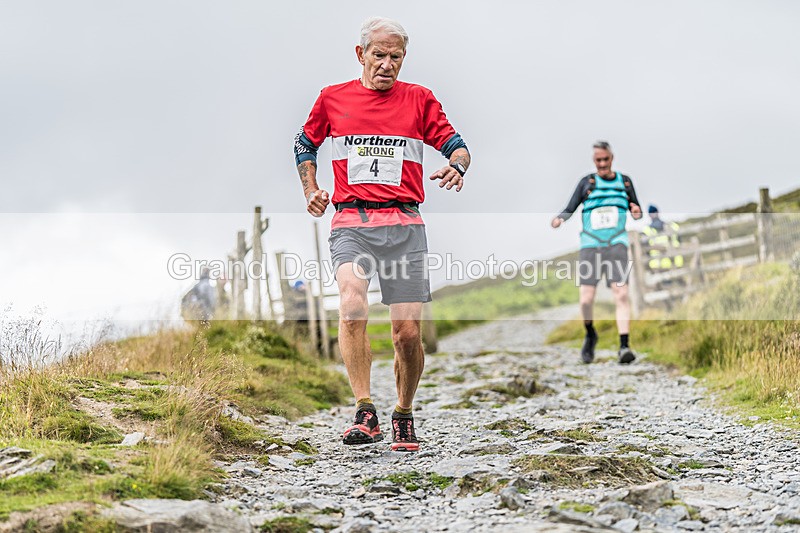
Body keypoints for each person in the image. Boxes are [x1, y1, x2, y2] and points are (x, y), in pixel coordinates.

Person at [293, 17, 470, 452]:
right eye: (379, 55)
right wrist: (312, 189)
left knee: (406, 333)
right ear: (361, 55)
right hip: (352, 221)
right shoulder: (332, 99)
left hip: (405, 224)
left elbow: (457, 144)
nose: (387, 64)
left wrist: (458, 166)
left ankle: (404, 413)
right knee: (352, 301)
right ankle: (364, 408)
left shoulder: (420, 99)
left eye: (395, 57)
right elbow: (303, 143)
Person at [551, 141, 642, 364]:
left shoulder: (625, 182)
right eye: (598, 160)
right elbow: (570, 207)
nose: (602, 164)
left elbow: (636, 210)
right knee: (586, 299)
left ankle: (624, 346)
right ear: (594, 161)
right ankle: (590, 333)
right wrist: (559, 219)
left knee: (621, 295)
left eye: (605, 159)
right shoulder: (587, 183)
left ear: (612, 158)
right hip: (591, 245)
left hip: (617, 243)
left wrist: (636, 211)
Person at [643, 205, 683, 271]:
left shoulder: (647, 230)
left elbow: (645, 250)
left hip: (657, 265)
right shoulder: (673, 226)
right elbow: (680, 241)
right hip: (675, 262)